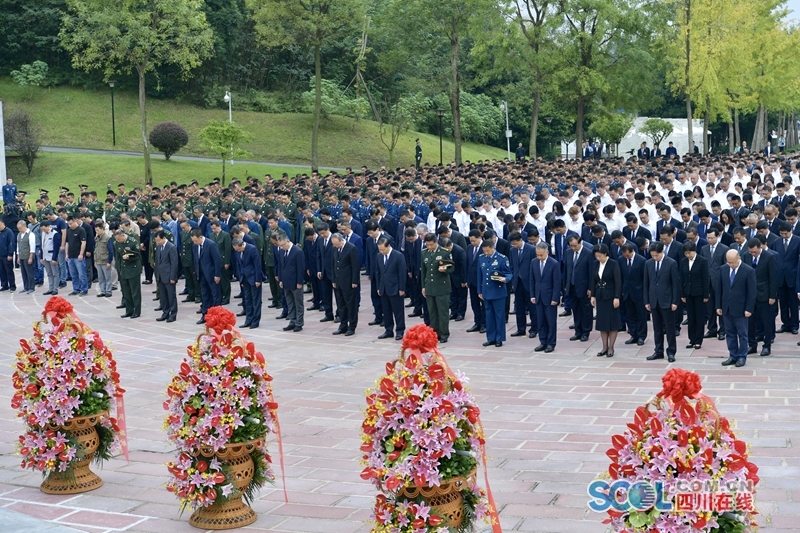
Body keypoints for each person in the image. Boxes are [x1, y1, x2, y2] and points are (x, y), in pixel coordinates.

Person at [717, 249, 756, 367]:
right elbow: (719, 289)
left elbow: (752, 292)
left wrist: (749, 308)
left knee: (742, 334)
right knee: (730, 333)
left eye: (732, 262)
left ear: (738, 258)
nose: (730, 265)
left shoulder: (748, 270)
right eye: (728, 262)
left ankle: (742, 356)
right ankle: (732, 355)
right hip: (727, 307)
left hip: (741, 308)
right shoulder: (723, 269)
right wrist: (718, 305)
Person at [644, 241, 680, 362]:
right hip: (654, 300)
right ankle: (658, 350)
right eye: (652, 255)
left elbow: (676, 284)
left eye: (656, 255)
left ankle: (671, 351)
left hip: (667, 300)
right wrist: (647, 301)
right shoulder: (648, 263)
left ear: (662, 252)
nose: (654, 257)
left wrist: (675, 301)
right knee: (657, 328)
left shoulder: (671, 263)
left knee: (669, 328)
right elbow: (646, 284)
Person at [744, 238, 777, 356]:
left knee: (766, 322)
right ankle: (752, 345)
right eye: (751, 252)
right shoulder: (746, 256)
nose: (753, 254)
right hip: (750, 295)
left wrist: (773, 296)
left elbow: (773, 278)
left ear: (760, 247)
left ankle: (767, 345)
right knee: (750, 322)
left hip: (765, 294)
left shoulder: (769, 257)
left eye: (755, 252)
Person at [478, 239, 512, 347]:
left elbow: (509, 273)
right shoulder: (481, 258)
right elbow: (479, 276)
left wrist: (505, 279)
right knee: (489, 315)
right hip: (486, 292)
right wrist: (479, 291)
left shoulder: (502, 258)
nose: (486, 253)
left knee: (499, 316)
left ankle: (499, 338)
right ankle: (491, 337)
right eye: (485, 251)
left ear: (493, 248)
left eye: (488, 251)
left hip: (498, 292)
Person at [590, 243, 621, 357]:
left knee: (612, 322)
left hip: (611, 296)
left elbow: (618, 281)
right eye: (596, 256)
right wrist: (593, 295)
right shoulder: (595, 264)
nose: (598, 258)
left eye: (600, 256)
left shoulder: (613, 264)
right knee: (602, 322)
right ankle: (604, 347)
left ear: (605, 254)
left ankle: (611, 347)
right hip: (600, 296)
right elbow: (593, 280)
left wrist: (617, 297)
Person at [679, 241, 710, 349]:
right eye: (686, 253)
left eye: (689, 253)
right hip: (688, 293)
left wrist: (706, 295)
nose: (688, 255)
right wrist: (682, 294)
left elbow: (706, 279)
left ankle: (698, 340)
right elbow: (682, 278)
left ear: (694, 251)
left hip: (699, 293)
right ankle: (691, 339)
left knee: (699, 317)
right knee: (691, 317)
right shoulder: (683, 262)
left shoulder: (702, 261)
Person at [376, 237, 407, 340]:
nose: (381, 251)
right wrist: (379, 287)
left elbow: (402, 273)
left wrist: (401, 288)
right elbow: (378, 273)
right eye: (379, 249)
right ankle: (388, 330)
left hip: (395, 287)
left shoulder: (398, 256)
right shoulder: (379, 256)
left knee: (398, 311)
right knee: (386, 310)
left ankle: (400, 330)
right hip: (384, 288)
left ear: (388, 246)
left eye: (383, 249)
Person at [771, 222, 800, 334]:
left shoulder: (798, 241)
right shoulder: (776, 242)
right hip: (780, 276)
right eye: (782, 234)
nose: (784, 236)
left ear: (790, 231)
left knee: (793, 303)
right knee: (783, 303)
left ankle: (794, 325)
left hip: (792, 276)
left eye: (786, 234)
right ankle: (785, 323)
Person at [564, 235, 595, 342]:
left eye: (575, 246)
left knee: (586, 311)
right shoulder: (568, 252)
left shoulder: (589, 253)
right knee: (576, 310)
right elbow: (567, 269)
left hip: (584, 287)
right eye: (571, 246)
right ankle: (578, 331)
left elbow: (591, 272)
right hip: (572, 286)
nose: (573, 248)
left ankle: (586, 332)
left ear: (580, 242)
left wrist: (590, 288)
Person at [700, 228, 729, 340]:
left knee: (720, 306)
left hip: (719, 281)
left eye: (712, 238)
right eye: (708, 238)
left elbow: (726, 267)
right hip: (707, 282)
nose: (710, 240)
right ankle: (712, 329)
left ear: (717, 237)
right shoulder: (703, 249)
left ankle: (722, 330)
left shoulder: (724, 249)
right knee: (710, 307)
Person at [331, 232, 361, 336]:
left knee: (351, 305)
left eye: (337, 244)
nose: (335, 246)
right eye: (334, 244)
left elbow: (355, 266)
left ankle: (352, 326)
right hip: (338, 282)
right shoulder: (335, 248)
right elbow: (334, 264)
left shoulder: (351, 248)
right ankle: (343, 325)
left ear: (341, 240)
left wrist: (354, 281)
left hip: (348, 282)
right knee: (341, 305)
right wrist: (334, 280)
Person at [191, 227, 222, 324]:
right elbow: (196, 259)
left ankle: (217, 317)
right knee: (205, 296)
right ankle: (205, 315)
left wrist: (217, 274)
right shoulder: (195, 246)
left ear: (200, 237)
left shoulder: (211, 244)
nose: (195, 243)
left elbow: (217, 261)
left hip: (212, 274)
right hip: (201, 274)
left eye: (196, 240)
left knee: (215, 296)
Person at [618, 242, 647, 345]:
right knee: (630, 315)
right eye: (624, 255)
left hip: (639, 292)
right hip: (627, 292)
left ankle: (641, 336)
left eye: (628, 255)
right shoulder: (621, 260)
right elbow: (621, 276)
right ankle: (633, 334)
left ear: (632, 251)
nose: (626, 257)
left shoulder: (642, 260)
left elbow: (645, 278)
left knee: (641, 315)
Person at [509, 232, 537, 338]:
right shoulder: (512, 251)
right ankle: (521, 328)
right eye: (513, 244)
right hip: (517, 282)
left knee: (532, 307)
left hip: (529, 282)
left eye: (516, 243)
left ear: (521, 240)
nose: (515, 246)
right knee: (519, 307)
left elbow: (534, 266)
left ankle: (534, 329)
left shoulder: (531, 249)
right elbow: (512, 266)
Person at [276, 232, 305, 332]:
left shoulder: (297, 251)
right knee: (290, 303)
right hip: (285, 281)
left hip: (295, 281)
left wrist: (299, 282)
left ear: (288, 241)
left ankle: (299, 322)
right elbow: (280, 266)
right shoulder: (281, 251)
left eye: (283, 245)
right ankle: (292, 321)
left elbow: (300, 268)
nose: (281, 247)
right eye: (280, 245)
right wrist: (281, 279)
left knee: (298, 303)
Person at [233, 237, 263, 329]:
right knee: (247, 300)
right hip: (245, 278)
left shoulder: (252, 249)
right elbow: (238, 264)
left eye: (239, 249)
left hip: (253, 278)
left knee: (256, 300)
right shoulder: (237, 251)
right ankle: (248, 320)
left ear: (242, 244)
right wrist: (241, 279)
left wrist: (258, 279)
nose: (238, 251)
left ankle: (255, 321)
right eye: (236, 250)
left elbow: (257, 265)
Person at [113, 229, 142, 318]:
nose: (118, 241)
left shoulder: (132, 242)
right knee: (126, 292)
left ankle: (137, 311)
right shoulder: (117, 242)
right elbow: (117, 256)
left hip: (133, 269)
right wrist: (118, 268)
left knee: (135, 292)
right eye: (116, 239)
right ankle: (129, 310)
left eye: (119, 239)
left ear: (123, 235)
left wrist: (128, 257)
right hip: (123, 270)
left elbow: (138, 256)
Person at [154, 230, 179, 323]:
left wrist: (173, 277)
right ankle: (165, 312)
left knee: (171, 296)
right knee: (163, 296)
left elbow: (174, 263)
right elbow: (157, 262)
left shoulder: (171, 247)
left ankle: (173, 314)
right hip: (160, 276)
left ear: (164, 238)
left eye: (159, 240)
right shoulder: (158, 247)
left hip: (169, 276)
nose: (158, 242)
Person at [465, 230, 485, 333]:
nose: (472, 243)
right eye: (471, 241)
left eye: (474, 241)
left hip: (481, 281)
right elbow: (468, 264)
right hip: (472, 281)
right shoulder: (469, 248)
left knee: (484, 304)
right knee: (474, 303)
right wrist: (467, 280)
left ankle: (484, 324)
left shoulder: (485, 248)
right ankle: (477, 322)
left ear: (479, 238)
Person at [208, 221, 232, 305]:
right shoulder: (211, 235)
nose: (213, 230)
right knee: (217, 280)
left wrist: (227, 262)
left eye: (215, 228)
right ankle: (220, 296)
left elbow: (227, 249)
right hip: (214, 261)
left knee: (224, 280)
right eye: (212, 229)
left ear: (219, 227)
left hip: (222, 259)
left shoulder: (225, 235)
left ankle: (226, 296)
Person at [316, 224, 335, 322]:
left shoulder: (335, 238)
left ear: (328, 229)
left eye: (323, 233)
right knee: (326, 295)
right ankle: (328, 314)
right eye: (320, 234)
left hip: (333, 272)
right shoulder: (319, 240)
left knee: (338, 295)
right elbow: (319, 255)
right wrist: (319, 269)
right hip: (324, 272)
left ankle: (340, 314)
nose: (322, 235)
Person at [65, 216, 88, 296]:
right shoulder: (69, 230)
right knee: (73, 274)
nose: (70, 225)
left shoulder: (81, 230)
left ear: (75, 221)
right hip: (71, 256)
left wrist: (81, 254)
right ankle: (76, 289)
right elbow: (67, 243)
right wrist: (67, 254)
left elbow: (83, 242)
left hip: (78, 256)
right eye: (68, 224)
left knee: (82, 274)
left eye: (71, 223)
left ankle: (84, 289)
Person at [40, 220, 61, 295]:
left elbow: (56, 247)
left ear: (48, 227)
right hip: (45, 256)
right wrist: (41, 257)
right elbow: (42, 245)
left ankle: (55, 288)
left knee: (55, 273)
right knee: (49, 273)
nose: (43, 230)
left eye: (44, 229)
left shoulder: (55, 234)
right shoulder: (43, 233)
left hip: (52, 256)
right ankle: (50, 288)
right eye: (42, 229)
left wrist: (54, 258)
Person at [94, 220, 113, 298]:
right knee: (101, 278)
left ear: (102, 229)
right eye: (96, 230)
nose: (97, 231)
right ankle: (103, 291)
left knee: (107, 277)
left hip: (105, 260)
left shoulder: (107, 238)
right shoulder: (96, 238)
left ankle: (108, 291)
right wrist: (95, 261)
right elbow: (95, 250)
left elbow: (111, 251)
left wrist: (109, 262)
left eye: (98, 230)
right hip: (98, 260)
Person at [16, 220, 36, 294]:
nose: (19, 230)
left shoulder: (31, 234)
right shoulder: (19, 234)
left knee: (29, 272)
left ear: (24, 226)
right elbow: (18, 246)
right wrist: (18, 256)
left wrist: (30, 257)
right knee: (23, 272)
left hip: (27, 256)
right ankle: (26, 286)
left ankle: (31, 287)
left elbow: (32, 247)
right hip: (21, 256)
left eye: (20, 228)